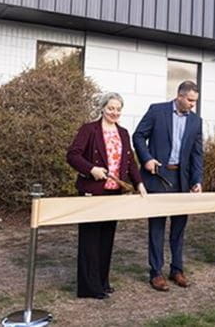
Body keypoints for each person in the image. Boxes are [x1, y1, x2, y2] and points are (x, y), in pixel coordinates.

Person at [66, 92, 147, 299]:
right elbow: (73, 155)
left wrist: (139, 183)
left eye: (118, 109)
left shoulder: (124, 133)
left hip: (115, 194)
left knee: (106, 240)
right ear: (102, 108)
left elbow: (130, 162)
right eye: (111, 108)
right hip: (92, 192)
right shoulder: (89, 129)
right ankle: (89, 287)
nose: (115, 112)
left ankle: (102, 282)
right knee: (90, 240)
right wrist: (91, 168)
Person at [133, 80, 203, 291]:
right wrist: (146, 158)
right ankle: (156, 273)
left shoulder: (196, 121)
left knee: (179, 229)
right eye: (190, 100)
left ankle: (177, 269)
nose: (193, 104)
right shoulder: (157, 111)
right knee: (157, 227)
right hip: (158, 178)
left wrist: (197, 180)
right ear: (179, 96)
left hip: (182, 181)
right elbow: (138, 135)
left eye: (195, 101)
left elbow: (197, 154)